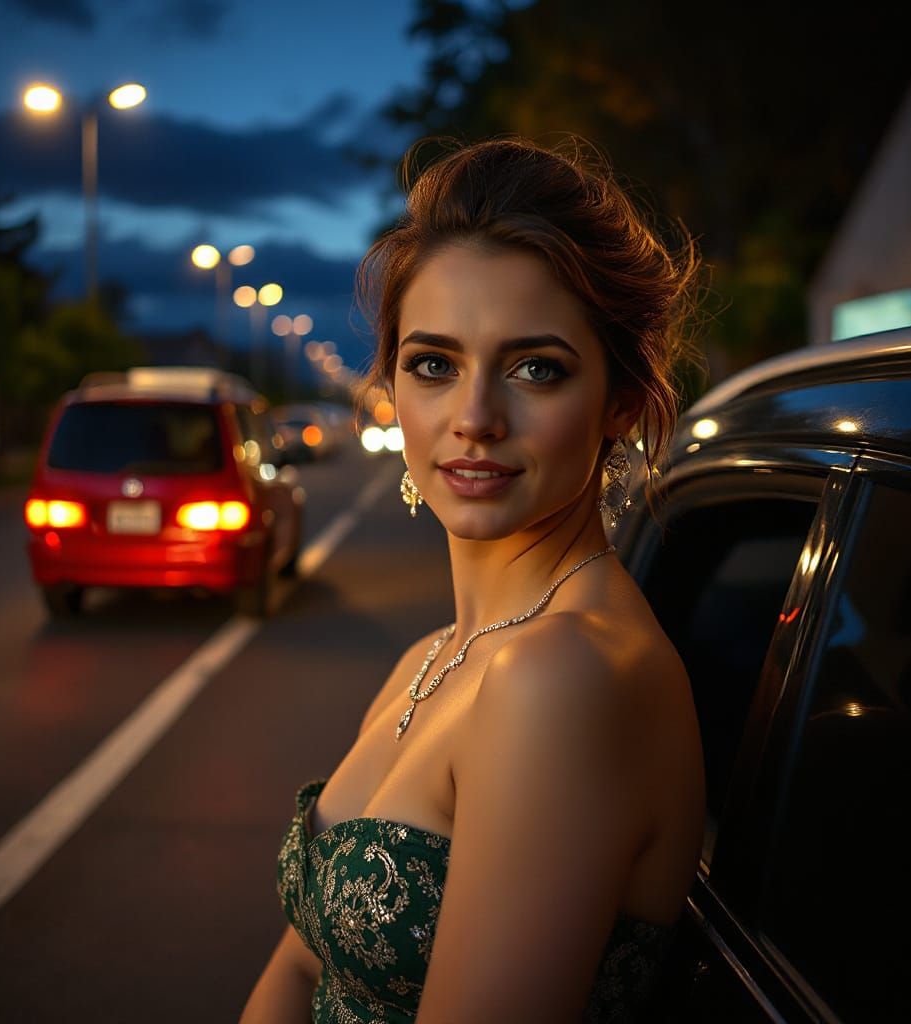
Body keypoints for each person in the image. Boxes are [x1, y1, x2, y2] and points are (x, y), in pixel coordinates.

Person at [240, 136, 706, 1024]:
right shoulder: (436, 655)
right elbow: (298, 973)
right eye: (434, 364)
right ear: (393, 385)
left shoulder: (565, 675)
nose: (475, 418)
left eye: (537, 368)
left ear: (620, 400)